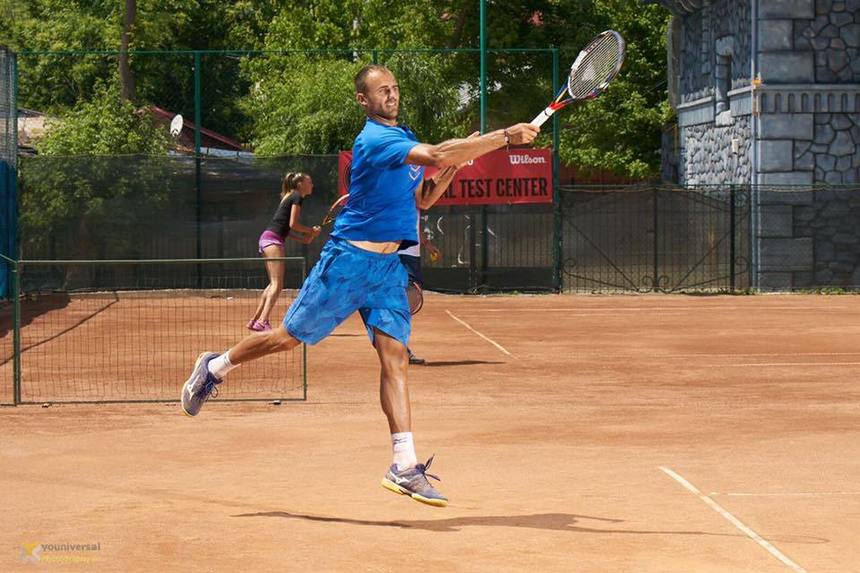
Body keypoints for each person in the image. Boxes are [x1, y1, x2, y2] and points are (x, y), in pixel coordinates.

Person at [181, 63, 539, 507]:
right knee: (288, 339)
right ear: (363, 101)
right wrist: (500, 138)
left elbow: (423, 198)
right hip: (349, 262)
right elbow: (437, 154)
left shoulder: (402, 136)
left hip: (389, 271)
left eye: (394, 88)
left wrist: (456, 166)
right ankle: (215, 367)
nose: (391, 95)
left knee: (395, 359)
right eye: (381, 90)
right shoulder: (376, 139)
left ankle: (404, 466)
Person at [247, 172, 320, 332]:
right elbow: (293, 224)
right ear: (300, 184)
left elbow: (284, 228)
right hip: (272, 241)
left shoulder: (289, 196)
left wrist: (305, 238)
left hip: (268, 239)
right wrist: (310, 230)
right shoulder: (296, 197)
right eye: (310, 182)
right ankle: (263, 321)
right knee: (277, 284)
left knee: (272, 283)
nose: (312, 185)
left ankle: (255, 320)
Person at [398, 215, 442, 365]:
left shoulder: (413, 198)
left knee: (405, 302)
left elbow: (413, 223)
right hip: (402, 254)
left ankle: (396, 347)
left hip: (410, 255)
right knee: (406, 302)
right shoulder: (404, 194)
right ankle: (397, 348)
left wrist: (427, 243)